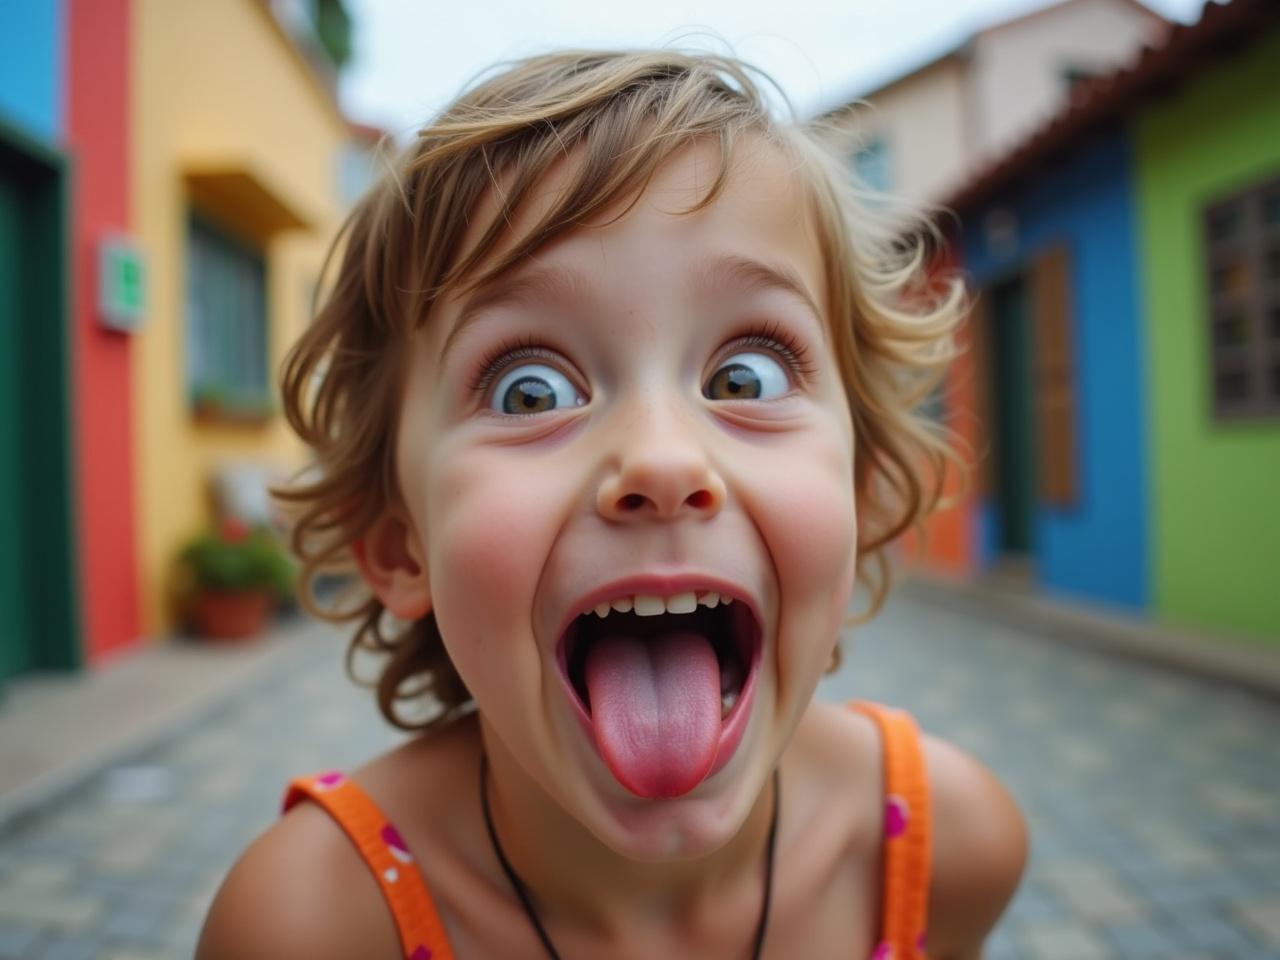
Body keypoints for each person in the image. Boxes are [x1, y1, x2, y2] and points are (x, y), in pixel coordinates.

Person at [196, 49, 1026, 960]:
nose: (663, 461)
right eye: (530, 392)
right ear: (401, 545)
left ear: (860, 488)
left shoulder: (951, 850)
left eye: (744, 374)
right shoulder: (312, 929)